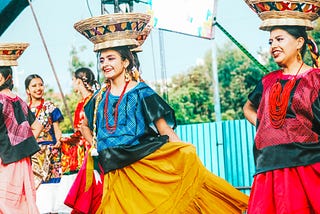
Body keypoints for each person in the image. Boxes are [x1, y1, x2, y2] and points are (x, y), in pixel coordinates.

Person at [66, 13, 249, 213]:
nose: (105, 64)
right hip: (114, 174)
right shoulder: (98, 99)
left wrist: (182, 153)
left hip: (144, 168)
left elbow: (164, 129)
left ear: (125, 62)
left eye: (111, 58)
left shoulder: (142, 92)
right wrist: (97, 148)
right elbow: (86, 127)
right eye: (102, 60)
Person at [243, 1, 320, 212]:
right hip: (268, 167)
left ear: (299, 42)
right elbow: (248, 108)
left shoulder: (315, 80)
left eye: (279, 39)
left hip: (306, 168)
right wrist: (265, 126)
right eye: (270, 42)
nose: (273, 46)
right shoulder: (267, 82)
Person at [0, 42, 43, 213]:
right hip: (22, 159)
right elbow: (37, 127)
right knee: (23, 201)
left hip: (6, 159)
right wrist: (23, 143)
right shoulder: (19, 100)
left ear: (5, 77)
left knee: (6, 204)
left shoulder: (1, 101)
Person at [54, 67, 100, 213]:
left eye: (74, 80)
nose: (72, 83)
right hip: (84, 148)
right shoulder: (84, 102)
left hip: (91, 148)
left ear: (79, 81)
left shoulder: (92, 100)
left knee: (93, 188)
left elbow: (83, 130)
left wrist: (67, 140)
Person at [25, 74, 64, 213]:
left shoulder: (50, 107)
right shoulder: (24, 109)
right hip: (33, 153)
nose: (38, 88)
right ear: (27, 90)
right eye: (34, 86)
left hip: (51, 153)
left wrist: (58, 141)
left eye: (40, 84)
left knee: (52, 188)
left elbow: (57, 129)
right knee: (35, 187)